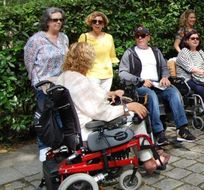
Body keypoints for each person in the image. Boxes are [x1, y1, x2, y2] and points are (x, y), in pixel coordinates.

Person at [55, 42, 169, 174]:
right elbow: (101, 112)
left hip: (74, 130)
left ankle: (148, 153)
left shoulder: (65, 77)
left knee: (130, 113)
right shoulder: (80, 81)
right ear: (87, 59)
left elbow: (86, 96)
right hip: (89, 131)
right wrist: (128, 107)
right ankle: (149, 161)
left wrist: (109, 94)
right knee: (138, 117)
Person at [119, 25, 196, 145]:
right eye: (137, 36)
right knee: (151, 96)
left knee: (173, 92)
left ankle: (182, 129)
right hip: (140, 85)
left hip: (157, 83)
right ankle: (159, 133)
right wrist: (140, 80)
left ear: (148, 37)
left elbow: (164, 67)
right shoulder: (130, 53)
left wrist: (165, 77)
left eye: (143, 36)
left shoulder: (155, 51)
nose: (140, 38)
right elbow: (122, 73)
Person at [24, 7, 69, 162]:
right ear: (47, 21)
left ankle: (59, 145)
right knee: (45, 117)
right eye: (54, 19)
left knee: (61, 114)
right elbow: (29, 63)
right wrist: (36, 83)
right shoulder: (36, 40)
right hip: (43, 84)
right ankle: (44, 146)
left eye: (60, 19)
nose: (58, 22)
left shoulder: (64, 38)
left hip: (61, 83)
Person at [78, 11, 119, 92]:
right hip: (91, 74)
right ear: (91, 23)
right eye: (94, 21)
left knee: (104, 99)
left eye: (100, 22)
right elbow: (79, 56)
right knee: (94, 99)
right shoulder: (84, 37)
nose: (97, 23)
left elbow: (112, 55)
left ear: (103, 24)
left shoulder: (109, 37)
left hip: (107, 75)